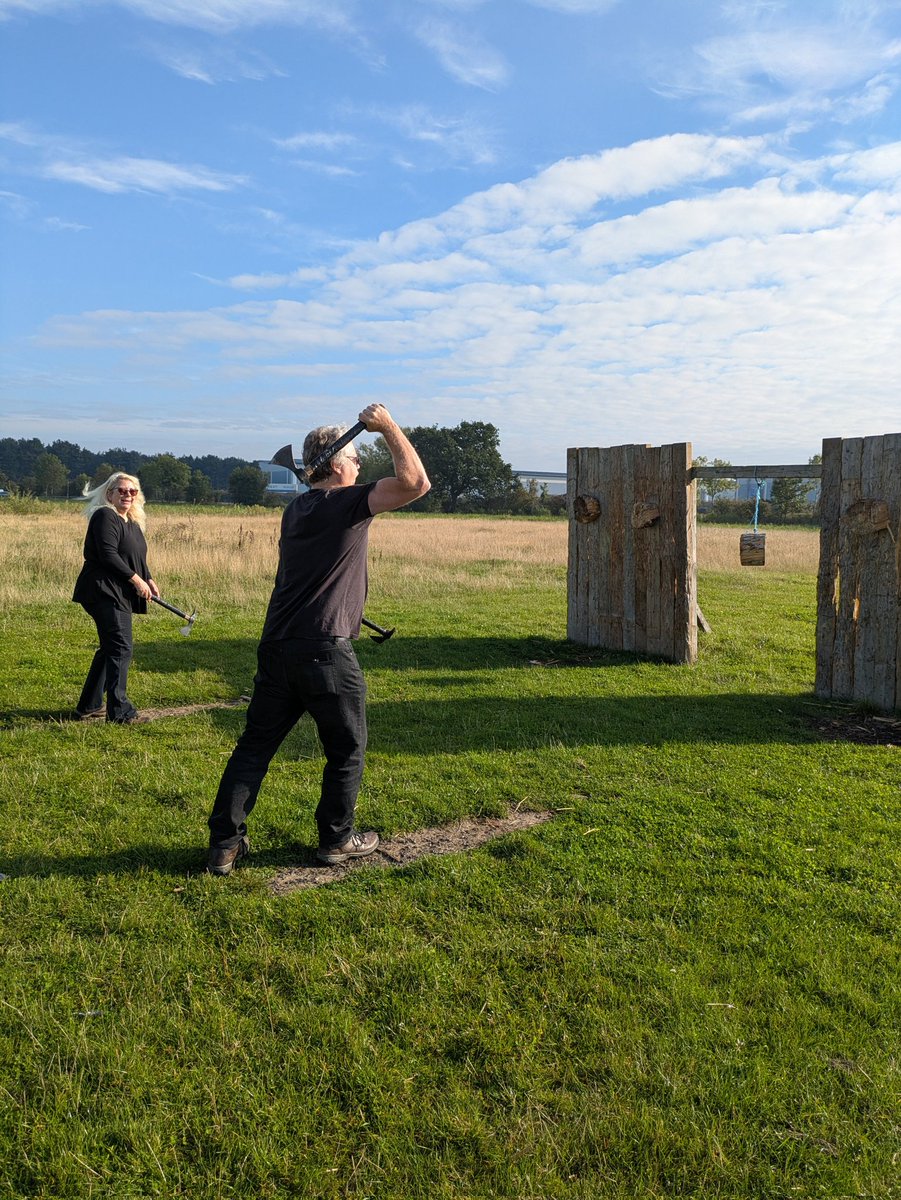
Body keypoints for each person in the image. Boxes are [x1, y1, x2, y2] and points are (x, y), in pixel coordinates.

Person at [206, 403, 430, 875]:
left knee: (254, 747)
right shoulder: (345, 503)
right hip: (324, 650)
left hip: (277, 646)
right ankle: (335, 840)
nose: (359, 465)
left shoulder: (296, 508)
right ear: (334, 464)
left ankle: (224, 845)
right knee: (346, 749)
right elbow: (416, 484)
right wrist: (388, 426)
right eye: (353, 458)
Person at [72, 471, 160, 724]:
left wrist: (149, 578)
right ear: (109, 494)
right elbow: (109, 555)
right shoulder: (105, 516)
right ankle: (120, 712)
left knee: (111, 647)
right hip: (102, 590)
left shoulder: (131, 522)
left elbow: (136, 558)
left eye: (132, 491)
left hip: (117, 591)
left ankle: (89, 705)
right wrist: (136, 580)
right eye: (121, 490)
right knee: (121, 647)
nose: (127, 495)